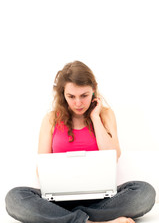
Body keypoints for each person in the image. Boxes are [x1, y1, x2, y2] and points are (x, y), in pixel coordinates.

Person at [5, 61, 156, 223]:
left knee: (145, 192)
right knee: (15, 198)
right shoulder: (50, 119)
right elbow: (41, 169)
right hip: (59, 200)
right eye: (71, 96)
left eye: (84, 95)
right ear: (63, 94)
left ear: (93, 90)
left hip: (99, 200)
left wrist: (95, 118)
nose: (78, 103)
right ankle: (91, 221)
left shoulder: (105, 115)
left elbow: (114, 156)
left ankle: (68, 218)